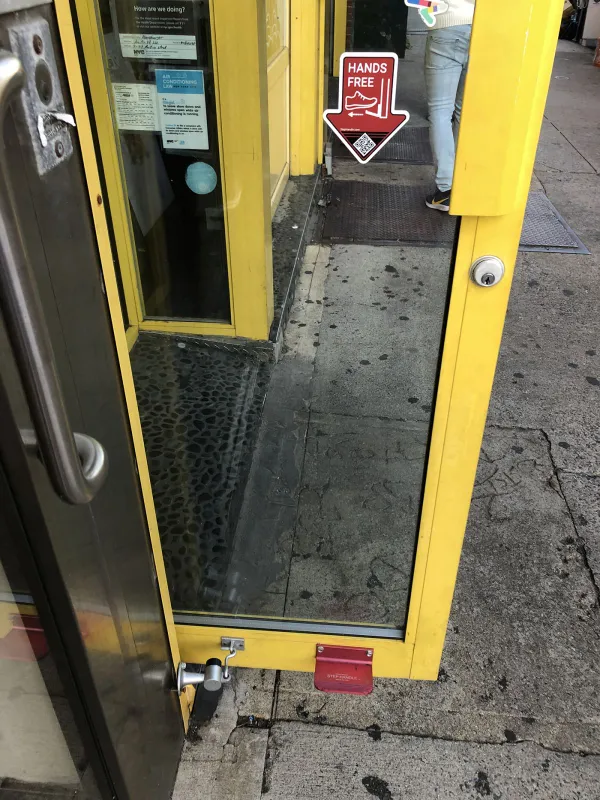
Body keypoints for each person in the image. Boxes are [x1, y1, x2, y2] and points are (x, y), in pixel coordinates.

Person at [424, 0, 475, 212]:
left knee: (440, 111)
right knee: (464, 111)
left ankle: (446, 189)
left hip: (446, 26)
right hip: (483, 27)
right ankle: (463, 183)